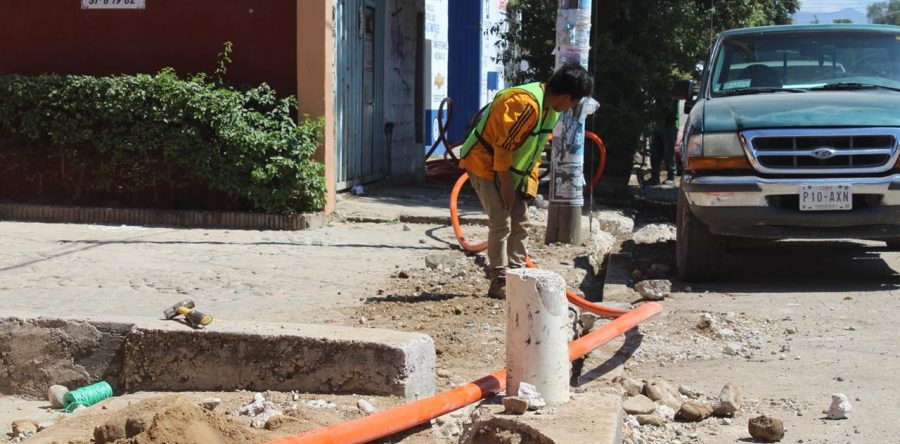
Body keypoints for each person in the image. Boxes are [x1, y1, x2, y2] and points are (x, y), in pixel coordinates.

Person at [458, 63, 593, 299]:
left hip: (510, 170)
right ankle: (499, 280)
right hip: (485, 163)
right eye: (575, 102)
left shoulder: (551, 110)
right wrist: (507, 187)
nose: (572, 107)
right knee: (501, 221)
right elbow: (503, 148)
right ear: (566, 97)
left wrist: (526, 188)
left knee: (521, 221)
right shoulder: (525, 104)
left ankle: (518, 276)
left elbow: (533, 151)